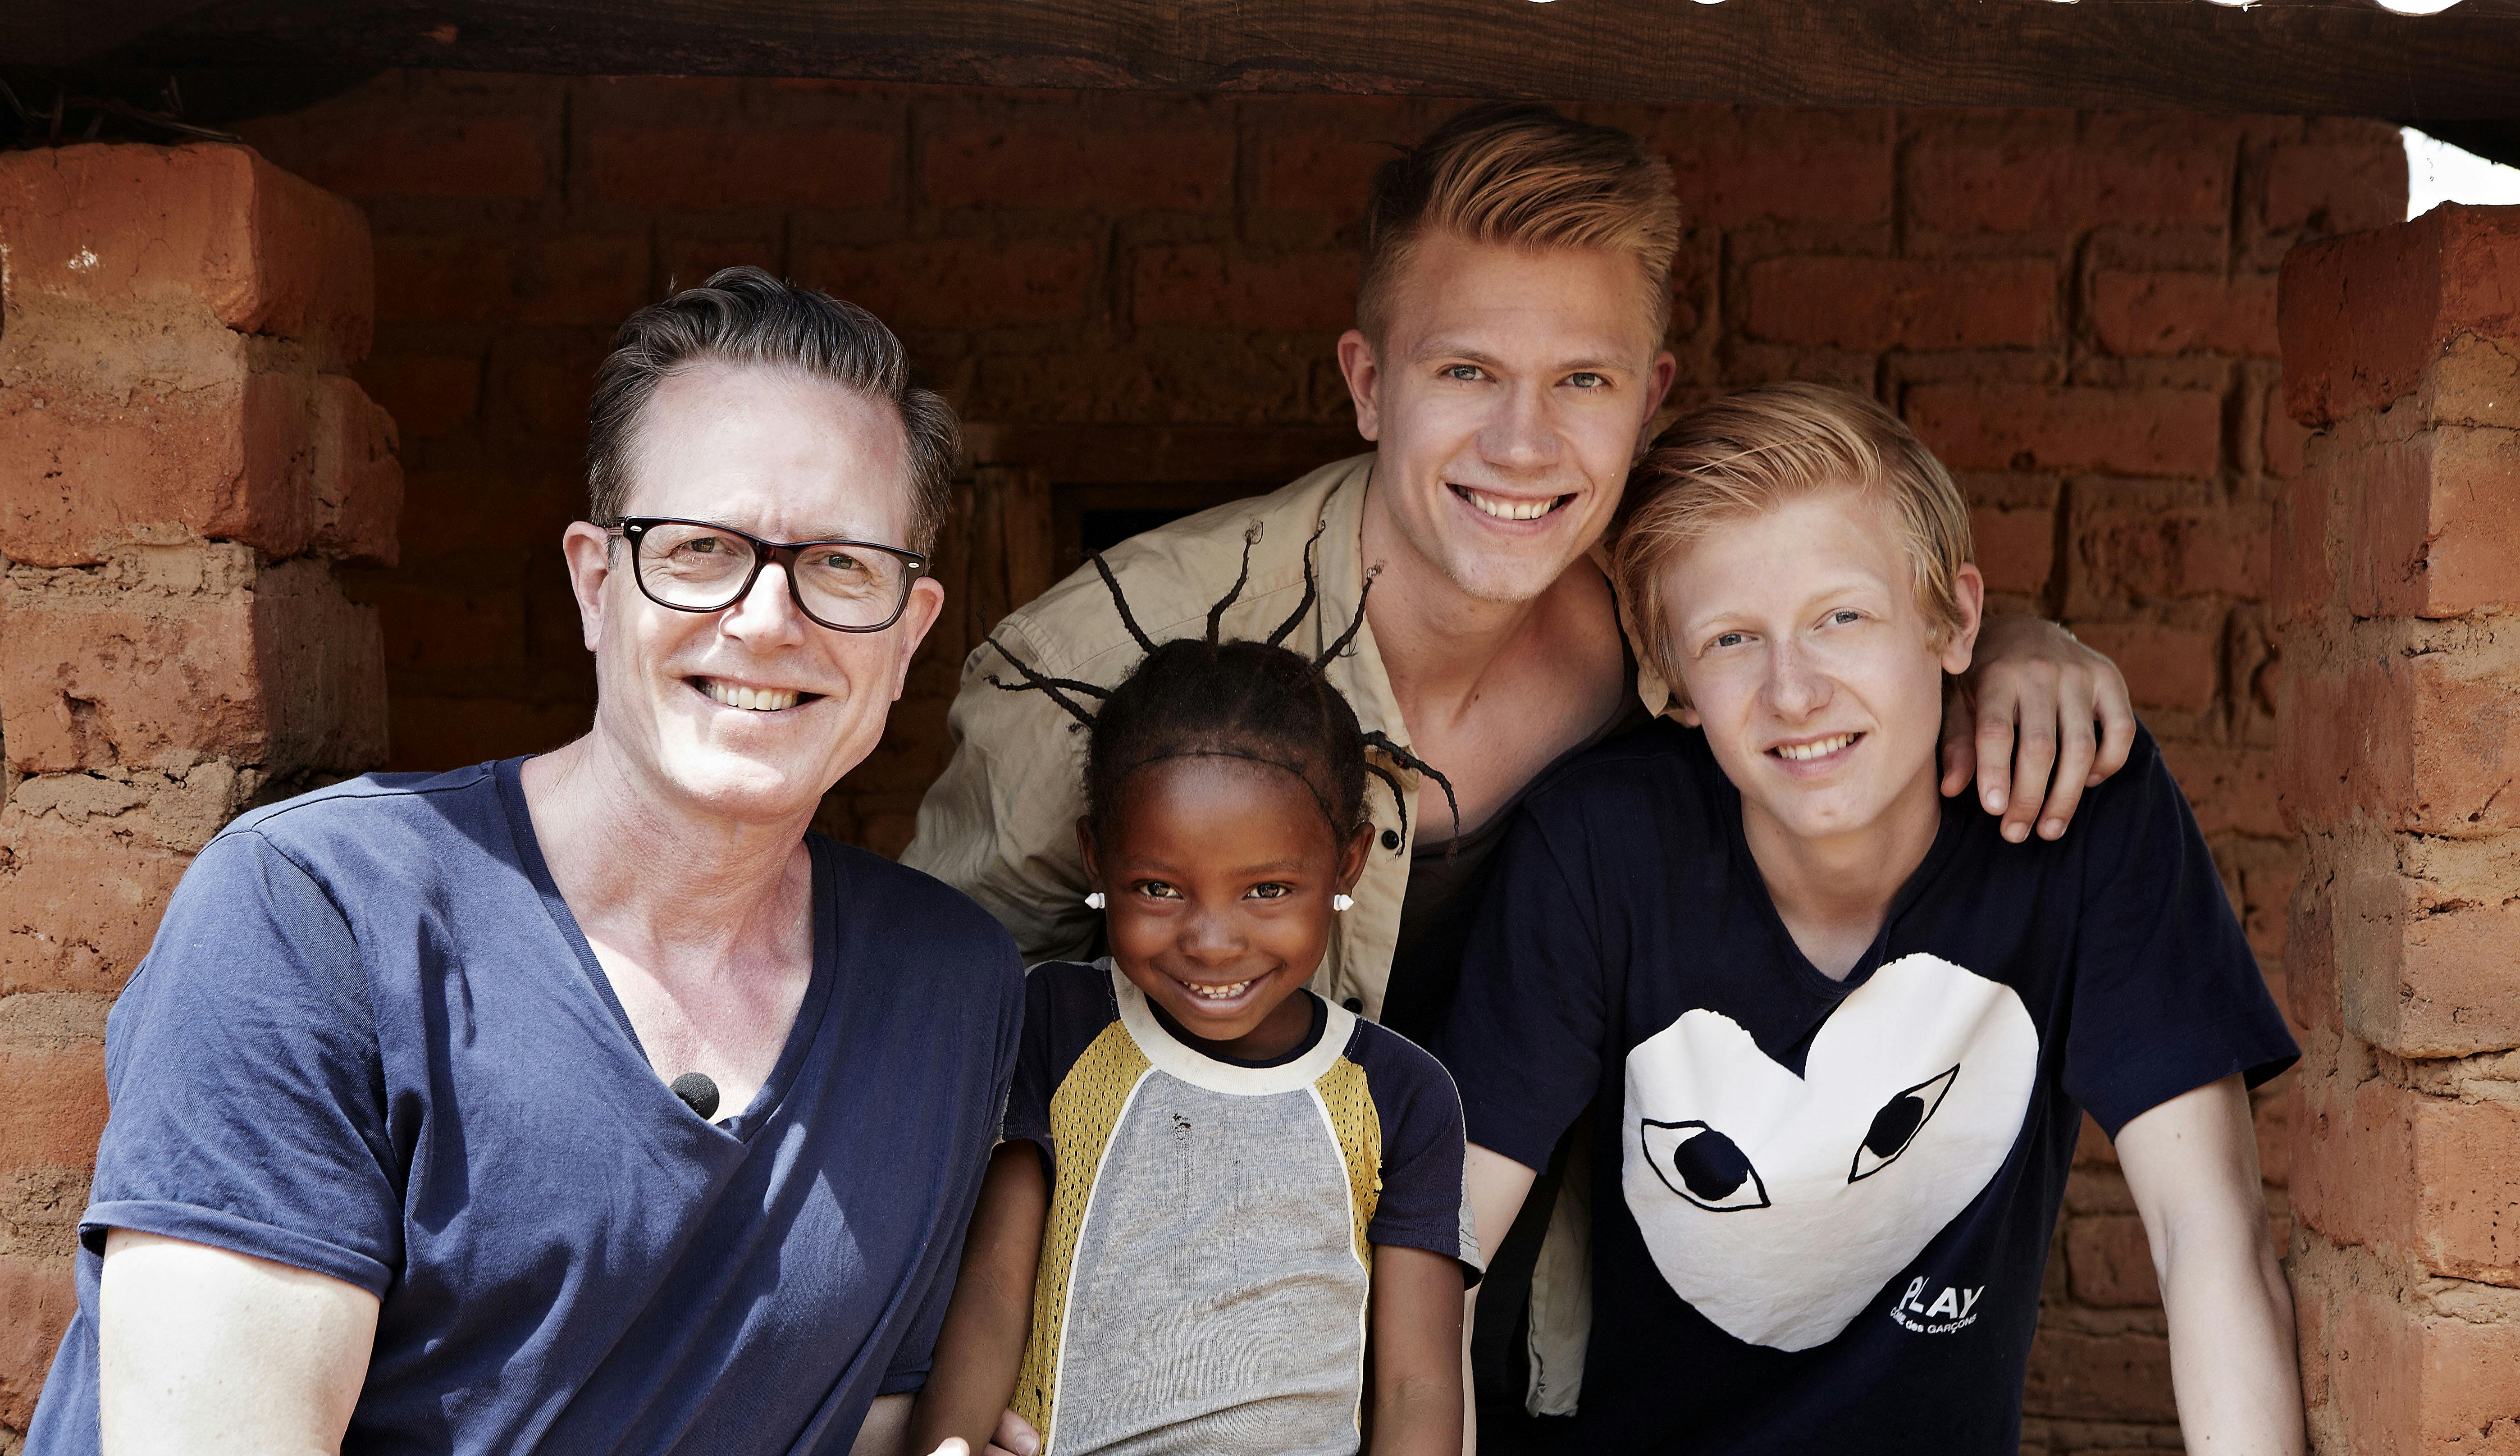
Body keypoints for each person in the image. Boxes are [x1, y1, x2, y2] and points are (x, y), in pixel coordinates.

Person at [904, 100, 2139, 1439]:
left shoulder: (1688, 640)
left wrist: (2012, 644)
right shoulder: (1113, 656)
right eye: (1468, 374)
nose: (1523, 445)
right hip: (1190, 1369)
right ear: (1370, 383)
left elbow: (1864, 640)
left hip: (1553, 1346)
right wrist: (948, 1400)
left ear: (1654, 394)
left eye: (1583, 382)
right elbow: (926, 1046)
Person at [25, 269, 1024, 1456]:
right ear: (596, 583)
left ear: (909, 635)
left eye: (841, 567)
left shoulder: (946, 990)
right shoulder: (321, 916)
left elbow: (864, 1422)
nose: (768, 618)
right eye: (701, 550)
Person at [1442, 382, 2304, 1453]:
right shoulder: (1604, 846)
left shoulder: (2077, 814)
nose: (1794, 692)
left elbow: (2206, 1231)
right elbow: (1443, 1252)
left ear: (1955, 621)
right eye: (1730, 641)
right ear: (1669, 681)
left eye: (1841, 617)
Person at [908, 557, 1474, 1456]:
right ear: (1097, 861)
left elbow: (1416, 1384)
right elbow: (993, 1290)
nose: (1212, 941)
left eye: (1269, 888)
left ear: (1350, 864)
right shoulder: (1057, 1020)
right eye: (1160, 885)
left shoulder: (1402, 1093)